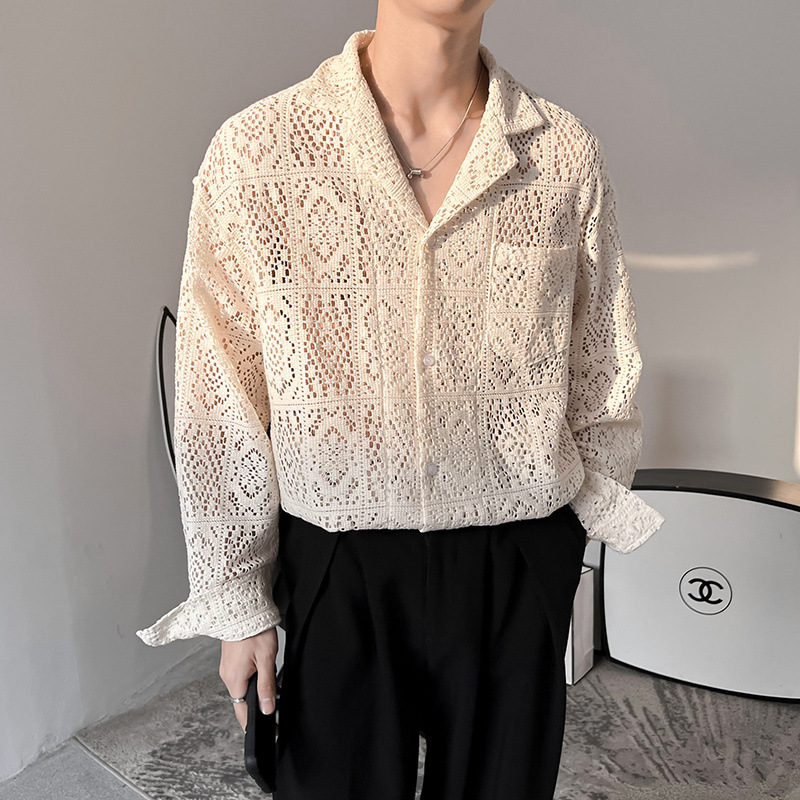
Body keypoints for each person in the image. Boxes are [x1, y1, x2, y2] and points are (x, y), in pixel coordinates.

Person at [136, 2, 666, 798]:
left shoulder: (561, 153)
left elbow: (601, 358)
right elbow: (220, 388)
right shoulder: (260, 151)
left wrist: (567, 540)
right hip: (335, 558)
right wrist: (238, 595)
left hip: (515, 554)